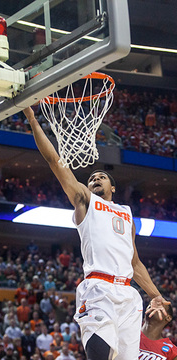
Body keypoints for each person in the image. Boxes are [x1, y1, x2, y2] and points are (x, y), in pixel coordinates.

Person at [23, 106, 170, 360]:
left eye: (102, 176)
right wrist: (33, 120)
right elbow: (54, 162)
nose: (96, 179)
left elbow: (134, 263)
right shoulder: (85, 200)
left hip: (128, 295)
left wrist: (156, 296)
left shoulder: (126, 213)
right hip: (98, 287)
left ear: (112, 186)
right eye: (92, 178)